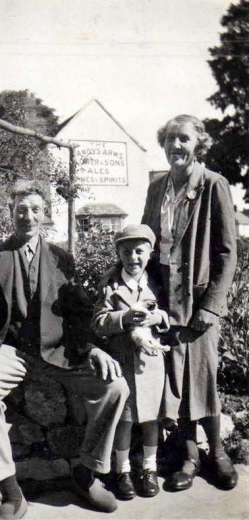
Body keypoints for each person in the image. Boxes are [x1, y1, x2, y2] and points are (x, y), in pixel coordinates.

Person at [0, 180, 129, 520]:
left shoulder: (61, 259)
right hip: (10, 353)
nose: (28, 216)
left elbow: (79, 312)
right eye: (21, 210)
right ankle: (11, 494)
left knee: (115, 387)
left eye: (35, 209)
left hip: (59, 352)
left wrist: (91, 349)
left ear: (46, 215)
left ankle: (86, 474)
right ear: (11, 213)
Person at [141, 114, 238, 492]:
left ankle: (218, 453)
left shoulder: (214, 185)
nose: (175, 146)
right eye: (169, 139)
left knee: (204, 377)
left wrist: (211, 306)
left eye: (183, 139)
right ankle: (190, 456)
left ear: (198, 144)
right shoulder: (157, 188)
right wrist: (145, 296)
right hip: (165, 300)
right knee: (176, 382)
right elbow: (148, 245)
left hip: (198, 302)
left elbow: (228, 253)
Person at [92, 224, 170, 500]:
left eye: (139, 251)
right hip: (122, 361)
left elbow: (168, 315)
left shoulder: (156, 284)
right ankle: (122, 470)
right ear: (118, 254)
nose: (133, 258)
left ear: (149, 253)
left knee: (151, 419)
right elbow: (98, 322)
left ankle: (148, 467)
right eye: (126, 252)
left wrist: (158, 318)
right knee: (124, 420)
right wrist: (123, 319)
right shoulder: (111, 287)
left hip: (150, 363)